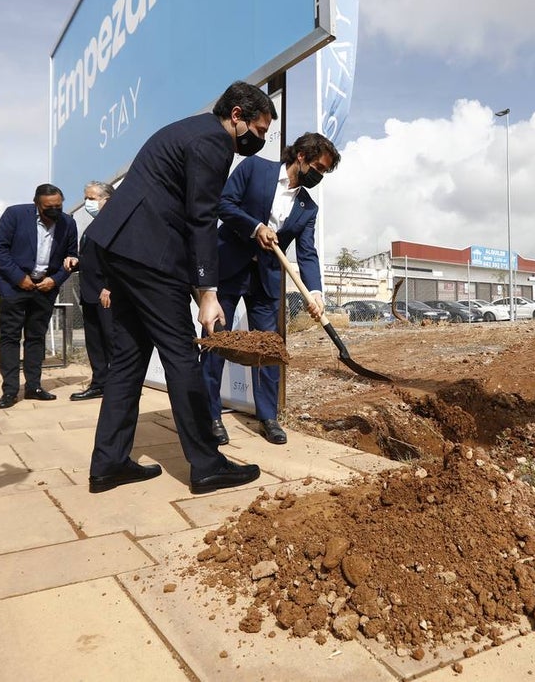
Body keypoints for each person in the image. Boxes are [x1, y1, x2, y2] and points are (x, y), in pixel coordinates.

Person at [85, 80, 276, 494]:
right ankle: (207, 465)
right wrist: (207, 293)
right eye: (259, 131)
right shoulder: (213, 142)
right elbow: (202, 218)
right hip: (151, 254)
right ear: (237, 116)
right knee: (182, 357)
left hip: (123, 249)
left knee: (130, 360)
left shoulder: (188, 130)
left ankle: (109, 463)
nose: (260, 140)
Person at [203, 132, 341, 446]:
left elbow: (306, 252)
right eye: (318, 168)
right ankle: (210, 415)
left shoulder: (308, 207)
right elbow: (224, 204)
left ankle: (268, 416)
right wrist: (255, 227)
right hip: (229, 269)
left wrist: (316, 293)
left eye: (325, 173)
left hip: (266, 281)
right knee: (217, 343)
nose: (319, 176)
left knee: (269, 348)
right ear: (302, 156)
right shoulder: (254, 169)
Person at [0, 184, 78, 409]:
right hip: (14, 285)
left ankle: (34, 387)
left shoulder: (68, 223)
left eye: (58, 206)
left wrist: (55, 280)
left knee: (36, 337)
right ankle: (10, 391)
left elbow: (71, 257)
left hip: (45, 288)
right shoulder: (15, 214)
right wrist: (19, 278)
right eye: (49, 207)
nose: (54, 210)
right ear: (37, 204)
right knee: (10, 337)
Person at [66, 181, 114, 401]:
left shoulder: (116, 223)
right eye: (86, 198)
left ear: (107, 199)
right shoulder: (93, 225)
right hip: (89, 293)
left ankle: (118, 387)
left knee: (112, 341)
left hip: (107, 295)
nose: (88, 203)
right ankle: (100, 383)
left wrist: (109, 286)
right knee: (95, 343)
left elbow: (119, 260)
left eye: (92, 198)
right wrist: (76, 260)